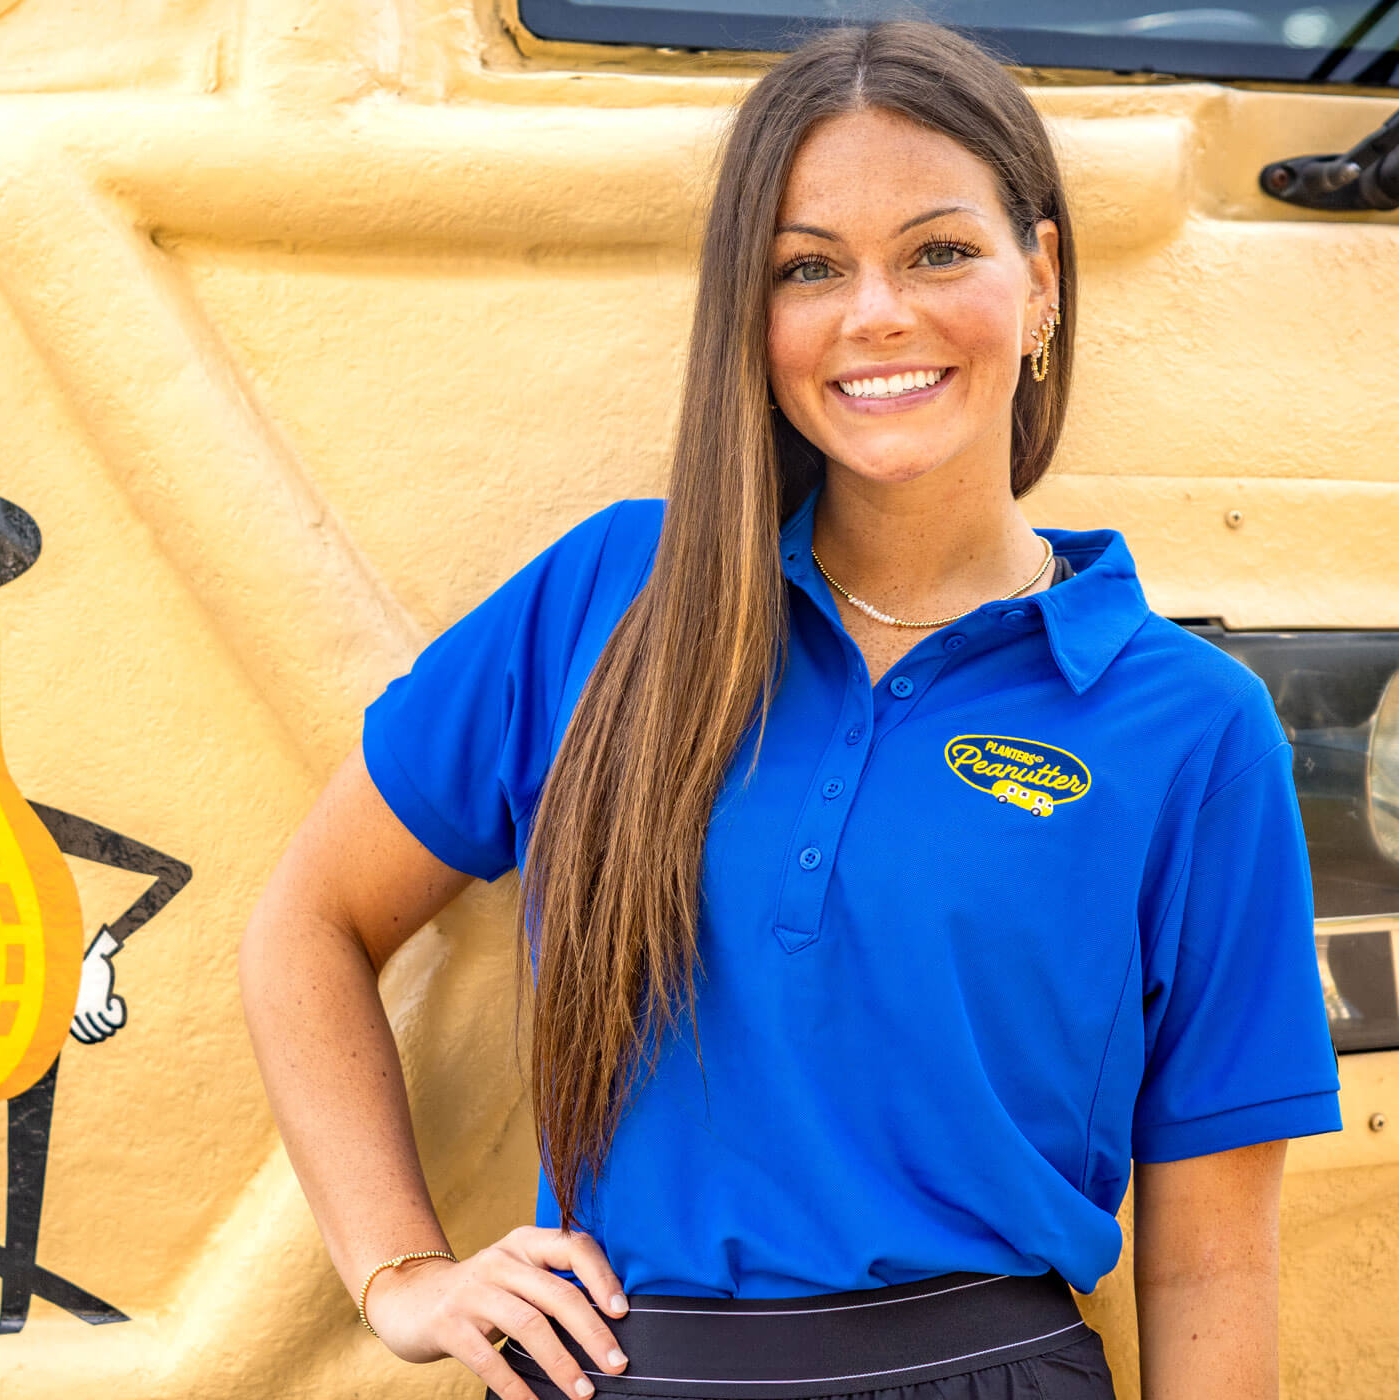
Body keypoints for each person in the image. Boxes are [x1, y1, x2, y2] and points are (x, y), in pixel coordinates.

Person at [237, 20, 1341, 1400]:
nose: (875, 314)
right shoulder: (607, 599)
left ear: (1041, 278)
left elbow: (1211, 1261)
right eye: (808, 268)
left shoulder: (1189, 725)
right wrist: (400, 1274)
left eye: (939, 251)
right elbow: (308, 926)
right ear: (751, 323)